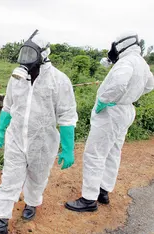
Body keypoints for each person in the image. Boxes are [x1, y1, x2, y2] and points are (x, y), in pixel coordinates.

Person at [0, 30, 78, 234]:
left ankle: (32, 203)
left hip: (43, 142)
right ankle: (1, 223)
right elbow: (8, 106)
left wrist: (68, 148)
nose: (26, 60)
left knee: (37, 177)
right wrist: (0, 129)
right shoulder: (17, 78)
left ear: (43, 54)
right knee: (9, 179)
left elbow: (67, 116)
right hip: (16, 138)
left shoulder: (59, 81)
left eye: (30, 54)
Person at [65, 32, 154, 212]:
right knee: (113, 151)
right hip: (126, 110)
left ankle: (89, 199)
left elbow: (119, 83)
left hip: (111, 112)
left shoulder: (126, 62)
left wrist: (105, 100)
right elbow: (149, 85)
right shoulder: (142, 63)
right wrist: (130, 96)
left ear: (122, 44)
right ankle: (103, 191)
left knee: (94, 153)